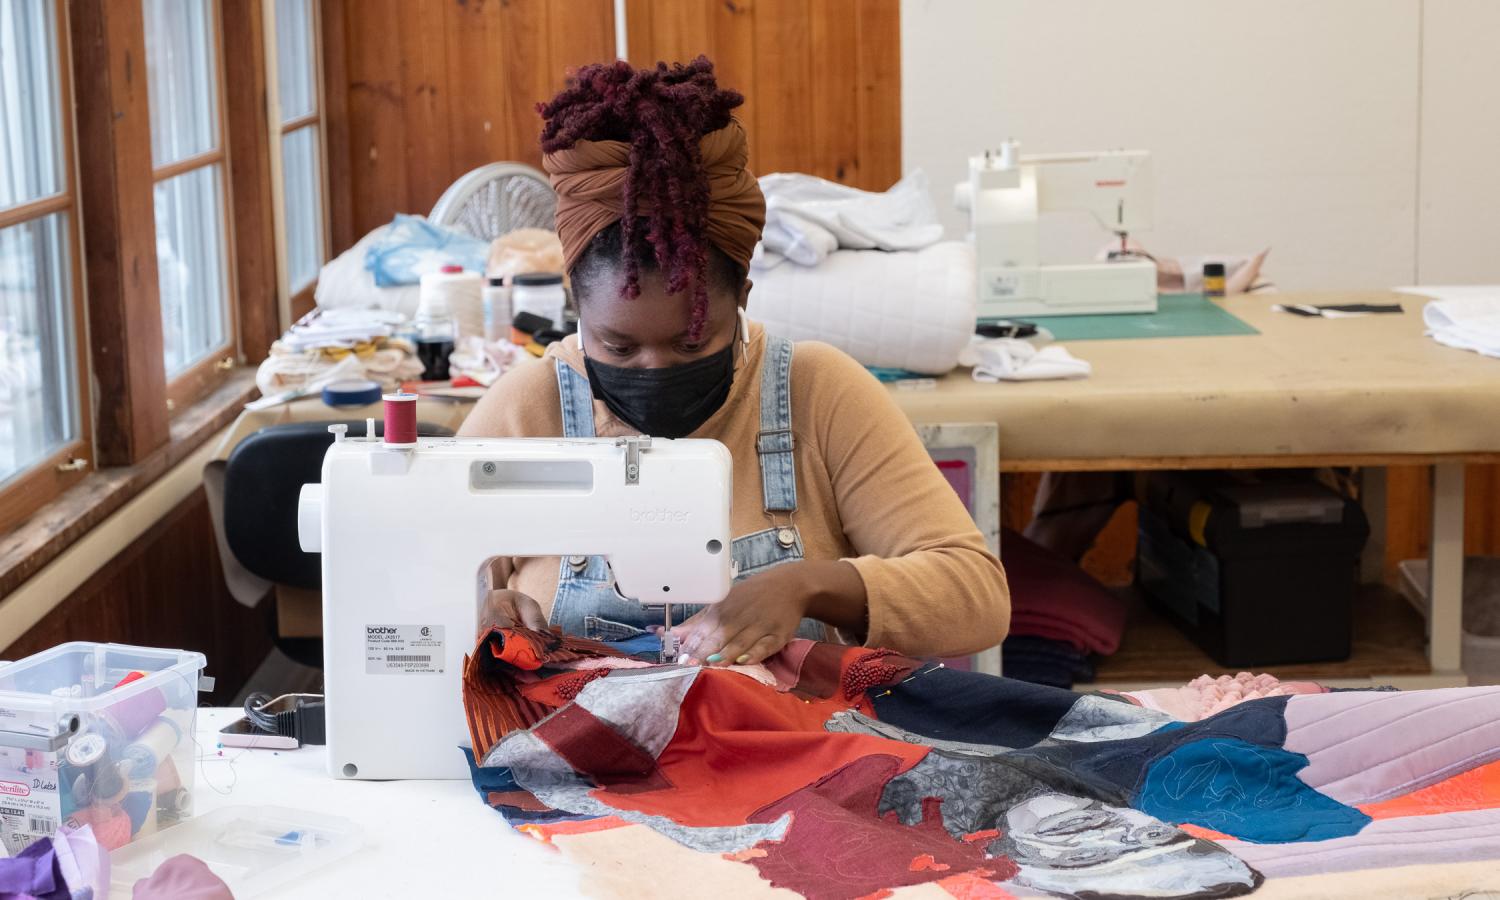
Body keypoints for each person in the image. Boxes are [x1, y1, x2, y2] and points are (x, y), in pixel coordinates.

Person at [461, 57, 1008, 667]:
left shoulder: (817, 391)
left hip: (794, 753)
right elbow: (436, 584)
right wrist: (482, 608)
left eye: (692, 343)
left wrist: (811, 585)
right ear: (575, 310)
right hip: (575, 755)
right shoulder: (526, 410)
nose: (653, 368)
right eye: (618, 347)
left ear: (742, 299)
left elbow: (977, 595)